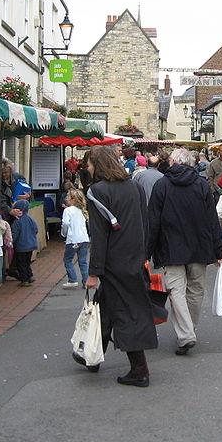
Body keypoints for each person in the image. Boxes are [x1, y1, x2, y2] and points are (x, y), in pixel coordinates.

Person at [84, 145, 157, 387]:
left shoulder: (97, 191)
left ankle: (139, 369)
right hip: (134, 258)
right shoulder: (134, 186)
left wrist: (94, 272)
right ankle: (90, 355)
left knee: (126, 313)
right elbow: (145, 223)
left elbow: (99, 235)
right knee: (106, 306)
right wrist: (145, 255)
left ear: (98, 165)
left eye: (90, 163)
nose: (88, 168)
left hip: (114, 261)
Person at [146, 148, 222, 356]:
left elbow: (153, 222)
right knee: (196, 291)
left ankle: (186, 333)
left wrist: (146, 252)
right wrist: (219, 249)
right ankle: (189, 329)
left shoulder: (162, 185)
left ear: (174, 162)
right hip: (200, 246)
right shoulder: (201, 184)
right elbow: (211, 218)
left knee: (176, 291)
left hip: (171, 248)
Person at [61, 188, 90, 290]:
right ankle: (86, 281)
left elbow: (65, 224)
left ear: (72, 199)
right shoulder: (82, 211)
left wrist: (64, 234)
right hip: (84, 238)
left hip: (73, 239)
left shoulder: (67, 210)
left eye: (68, 197)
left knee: (68, 259)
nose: (66, 198)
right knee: (83, 261)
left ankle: (72, 279)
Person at [11, 199, 38, 287]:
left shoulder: (17, 222)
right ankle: (30, 276)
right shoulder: (31, 219)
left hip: (21, 246)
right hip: (31, 245)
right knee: (27, 262)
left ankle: (24, 279)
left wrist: (11, 242)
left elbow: (15, 235)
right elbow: (36, 230)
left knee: (21, 263)